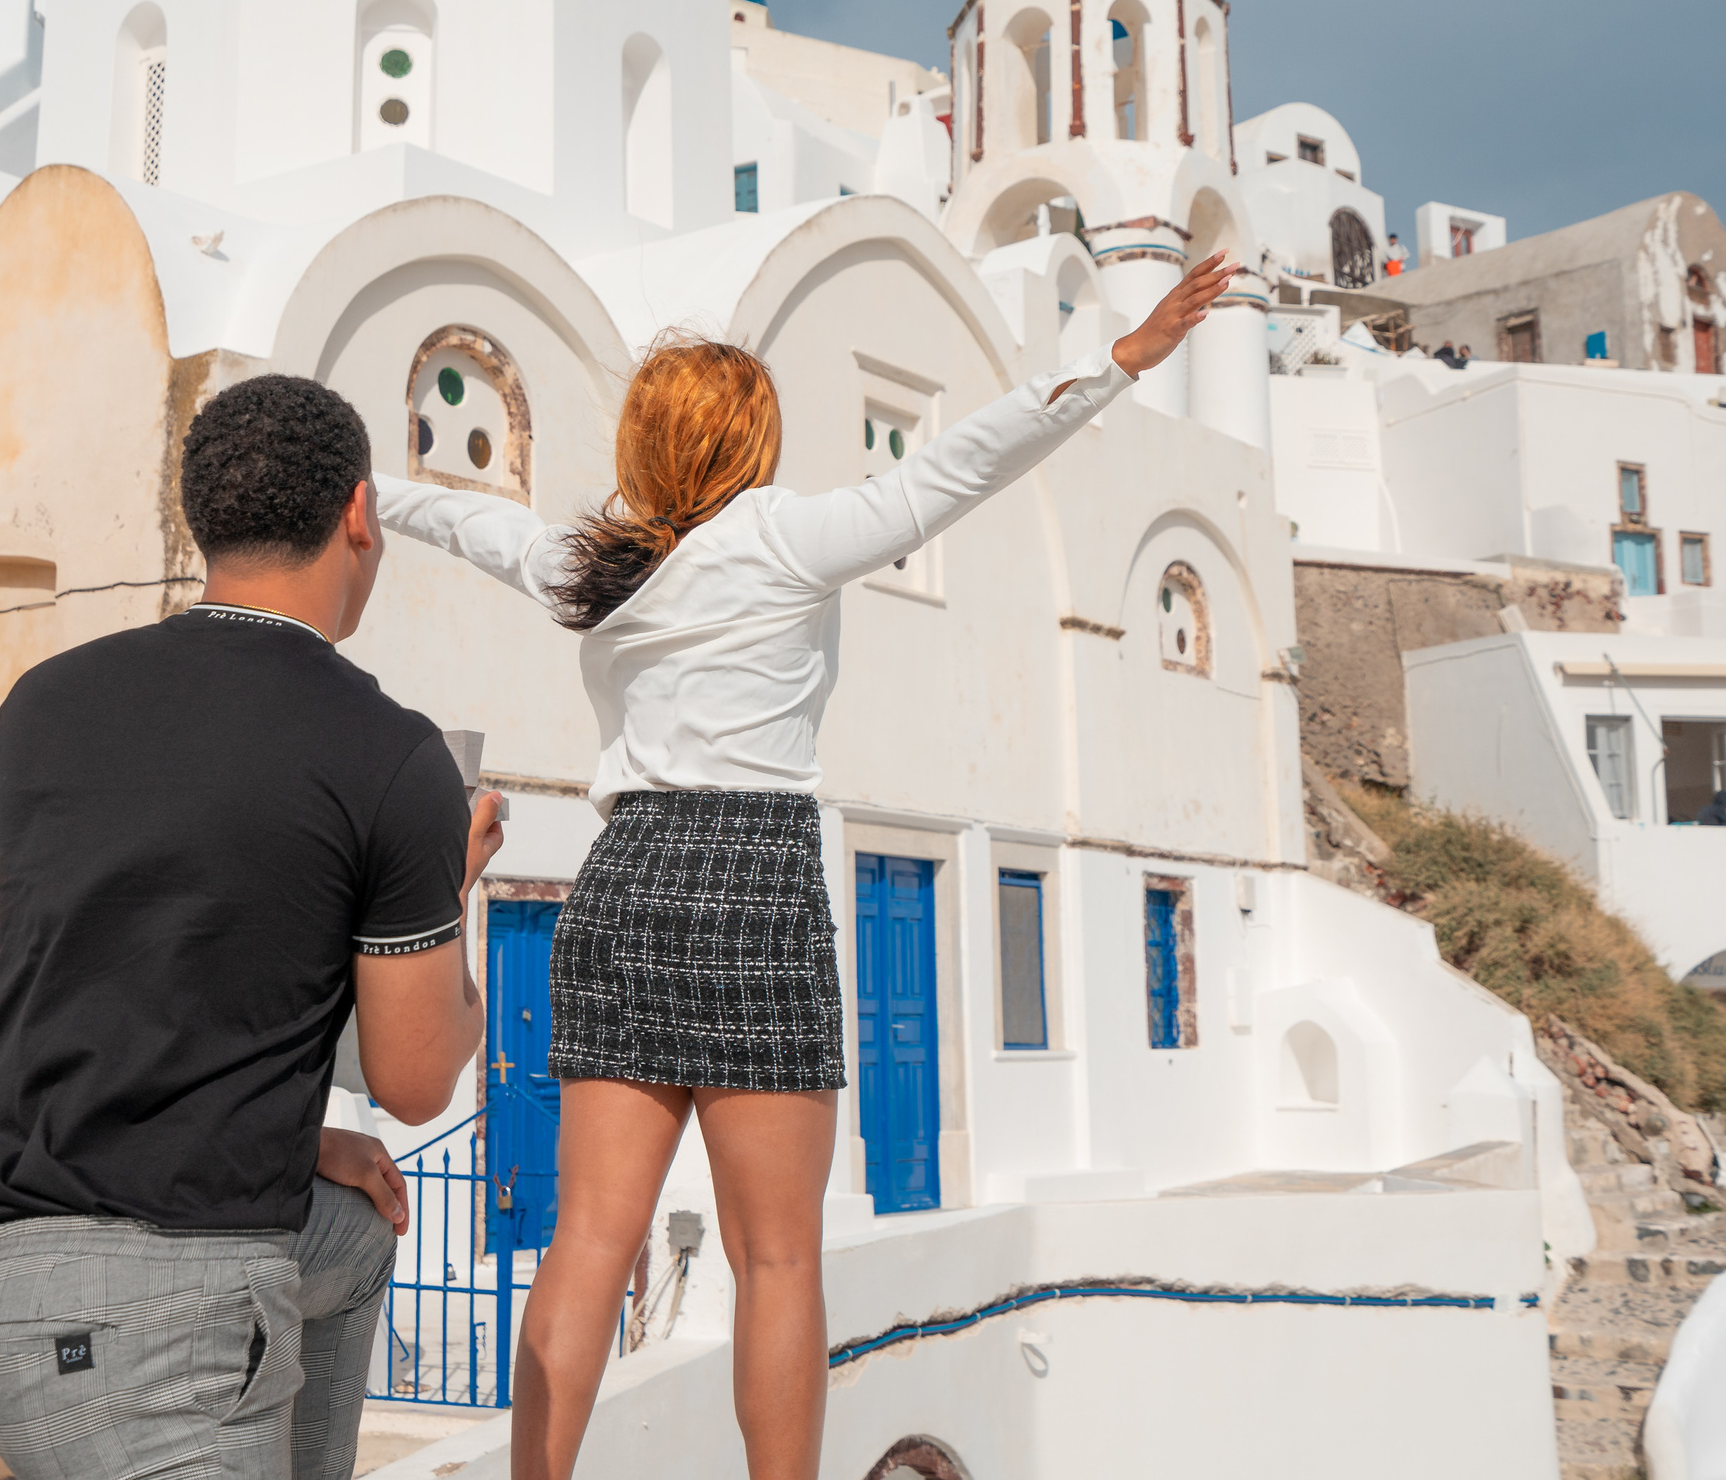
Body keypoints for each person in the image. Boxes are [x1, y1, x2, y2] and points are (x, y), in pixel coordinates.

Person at [375, 250, 1238, 1480]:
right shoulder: (787, 538)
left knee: (583, 1246)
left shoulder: (592, 565)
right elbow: (962, 460)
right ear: (749, 440)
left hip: (623, 881)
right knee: (775, 1258)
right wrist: (1112, 363)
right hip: (759, 880)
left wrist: (363, 489)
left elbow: (470, 519)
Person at [0, 376, 505, 1480]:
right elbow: (416, 1081)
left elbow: (86, 980)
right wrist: (442, 901)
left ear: (203, 518)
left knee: (356, 1233)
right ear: (359, 515)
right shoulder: (391, 753)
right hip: (132, 1318)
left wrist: (291, 1141)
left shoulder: (42, 702)